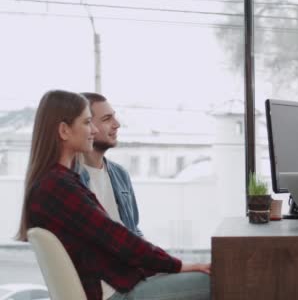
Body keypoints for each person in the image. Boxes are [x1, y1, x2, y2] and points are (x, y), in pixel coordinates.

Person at [16, 90, 210, 300]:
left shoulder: (57, 181)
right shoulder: (58, 186)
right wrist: (179, 265)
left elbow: (123, 238)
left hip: (118, 285)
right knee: (218, 279)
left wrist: (167, 267)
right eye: (87, 122)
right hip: (112, 293)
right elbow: (118, 238)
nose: (93, 130)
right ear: (64, 130)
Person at [75, 92, 142, 236]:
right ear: (87, 125)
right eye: (107, 119)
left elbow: (134, 230)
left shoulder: (120, 174)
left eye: (114, 117)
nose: (117, 125)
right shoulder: (70, 179)